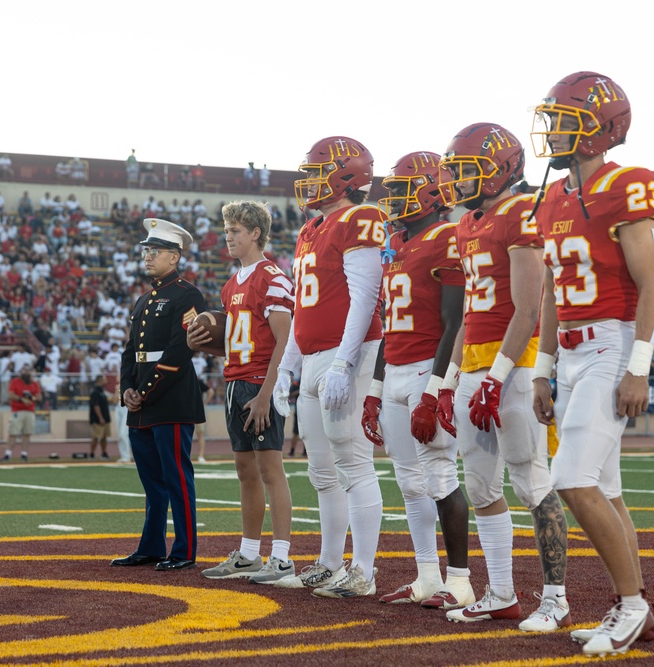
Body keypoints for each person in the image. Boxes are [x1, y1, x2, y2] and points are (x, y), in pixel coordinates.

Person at [529, 72, 654, 656]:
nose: (552, 130)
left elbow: (651, 283)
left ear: (595, 130)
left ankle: (632, 605)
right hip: (574, 354)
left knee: (571, 479)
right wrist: (543, 366)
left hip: (612, 343)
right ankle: (632, 608)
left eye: (562, 119)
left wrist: (639, 364)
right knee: (606, 489)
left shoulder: (628, 183)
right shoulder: (553, 196)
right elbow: (555, 291)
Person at [439, 125, 571, 630]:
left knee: (531, 480)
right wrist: (449, 381)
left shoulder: (520, 213)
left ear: (500, 169)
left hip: (512, 366)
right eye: (456, 171)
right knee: (479, 487)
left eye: (467, 169)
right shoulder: (466, 223)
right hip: (475, 364)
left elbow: (528, 308)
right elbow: (471, 312)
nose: (459, 180)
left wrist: (497, 376)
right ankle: (500, 592)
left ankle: (555, 598)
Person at [356, 151, 472, 609]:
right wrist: (375, 390)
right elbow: (389, 327)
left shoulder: (447, 236)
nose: (396, 199)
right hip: (398, 369)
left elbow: (453, 322)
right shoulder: (397, 243)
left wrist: (436, 388)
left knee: (441, 477)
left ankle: (460, 580)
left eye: (405, 189)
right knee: (409, 482)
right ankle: (427, 575)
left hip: (429, 366)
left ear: (431, 190)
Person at [271, 136, 385, 597]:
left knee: (353, 463)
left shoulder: (362, 217)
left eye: (317, 173)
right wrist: (286, 366)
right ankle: (329, 560)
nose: (309, 184)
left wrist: (344, 359)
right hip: (316, 355)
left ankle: (364, 570)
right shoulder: (311, 228)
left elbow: (365, 297)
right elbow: (303, 307)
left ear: (345, 176)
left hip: (348, 356)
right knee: (321, 470)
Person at [188, 200, 296, 584]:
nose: (228, 236)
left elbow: (286, 338)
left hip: (259, 383)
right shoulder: (232, 283)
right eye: (227, 230)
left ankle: (281, 557)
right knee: (245, 470)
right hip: (235, 380)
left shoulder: (274, 277)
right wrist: (204, 342)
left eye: (235, 230)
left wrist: (267, 392)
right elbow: (237, 342)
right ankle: (249, 553)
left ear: (255, 233)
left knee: (270, 468)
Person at [112, 218, 206, 572]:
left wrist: (145, 392)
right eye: (147, 251)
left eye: (156, 251)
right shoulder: (144, 299)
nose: (148, 257)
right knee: (152, 482)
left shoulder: (187, 295)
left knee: (177, 479)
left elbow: (180, 350)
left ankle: (184, 550)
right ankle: (151, 547)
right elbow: (129, 352)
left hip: (170, 399)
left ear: (175, 256)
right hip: (141, 402)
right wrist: (127, 390)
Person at [3, 365, 40, 461]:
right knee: (13, 432)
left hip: (30, 410)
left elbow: (39, 397)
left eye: (28, 370)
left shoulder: (34, 384)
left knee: (27, 433)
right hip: (17, 410)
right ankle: (8, 454)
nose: (26, 372)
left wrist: (32, 399)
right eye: (24, 370)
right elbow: (10, 395)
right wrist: (21, 399)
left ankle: (24, 454)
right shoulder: (15, 382)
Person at [88, 375, 111, 459]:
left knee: (104, 437)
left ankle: (104, 452)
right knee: (96, 436)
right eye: (104, 379)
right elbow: (96, 406)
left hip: (105, 418)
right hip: (97, 419)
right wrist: (100, 417)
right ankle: (91, 453)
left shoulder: (102, 391)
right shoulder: (95, 392)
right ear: (99, 380)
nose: (106, 380)